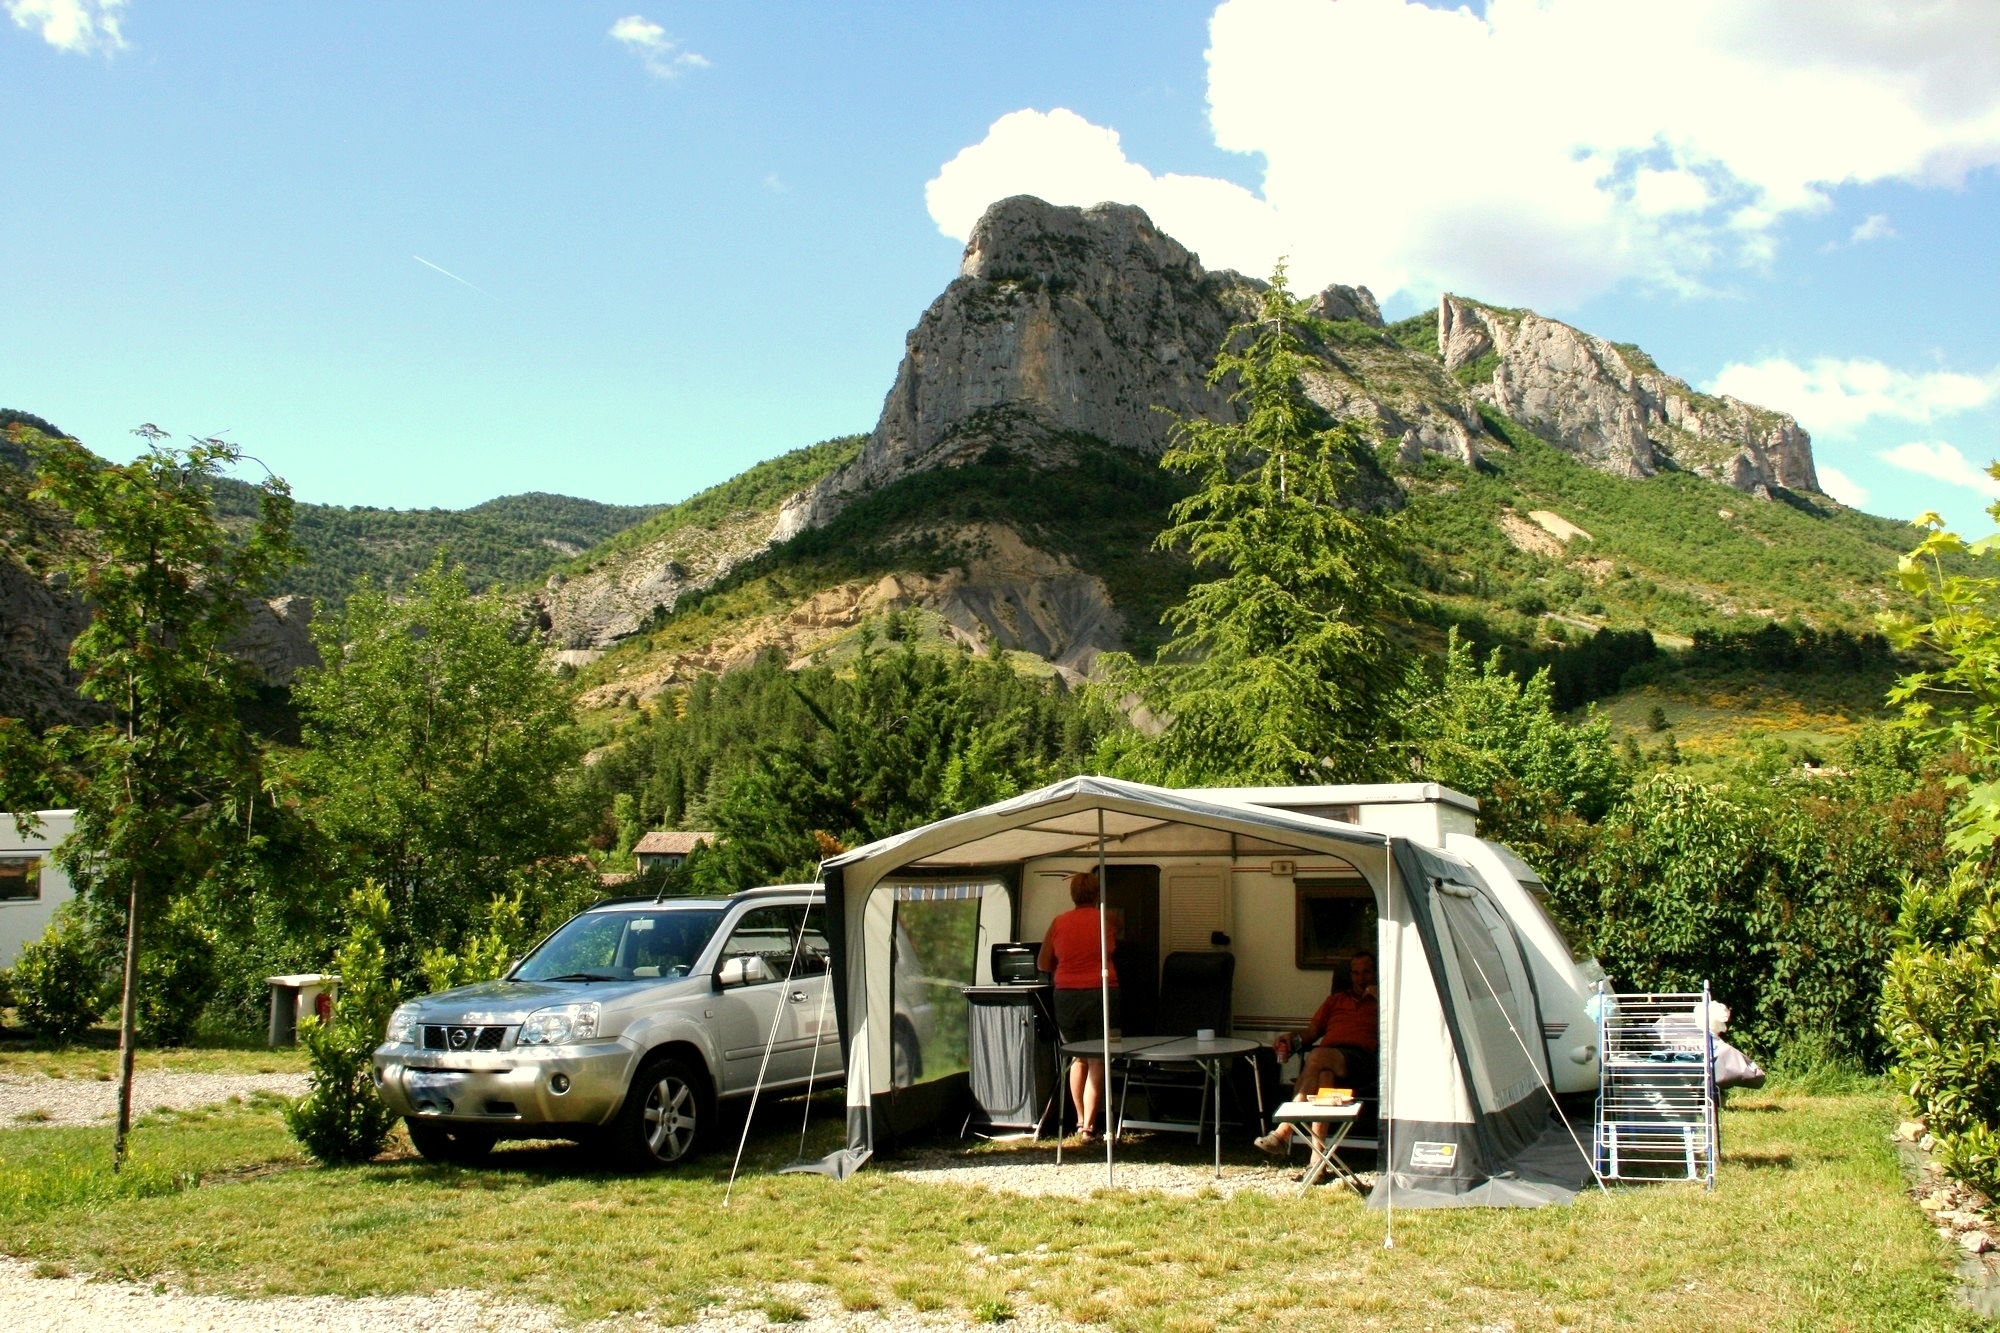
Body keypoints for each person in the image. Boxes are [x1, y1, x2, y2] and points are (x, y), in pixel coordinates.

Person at [1254, 950, 1378, 1157]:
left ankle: (1284, 1131)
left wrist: (1381, 998)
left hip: (1362, 1060)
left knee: (1317, 1057)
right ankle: (1317, 1159)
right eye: (1356, 973)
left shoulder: (1383, 1000)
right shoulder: (1335, 1000)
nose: (1360, 978)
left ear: (1375, 973)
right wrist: (1291, 1037)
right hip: (1330, 1059)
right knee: (1324, 1075)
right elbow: (1311, 1033)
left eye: (1366, 972)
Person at [1038, 870, 1120, 1141]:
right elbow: (1114, 942)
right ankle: (1089, 1128)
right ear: (1097, 894)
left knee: (1077, 1057)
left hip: (1066, 994)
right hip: (1101, 991)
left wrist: (1065, 967)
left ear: (1073, 894)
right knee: (1098, 1057)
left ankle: (1081, 1120)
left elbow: (1042, 963)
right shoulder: (1107, 919)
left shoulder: (1058, 922)